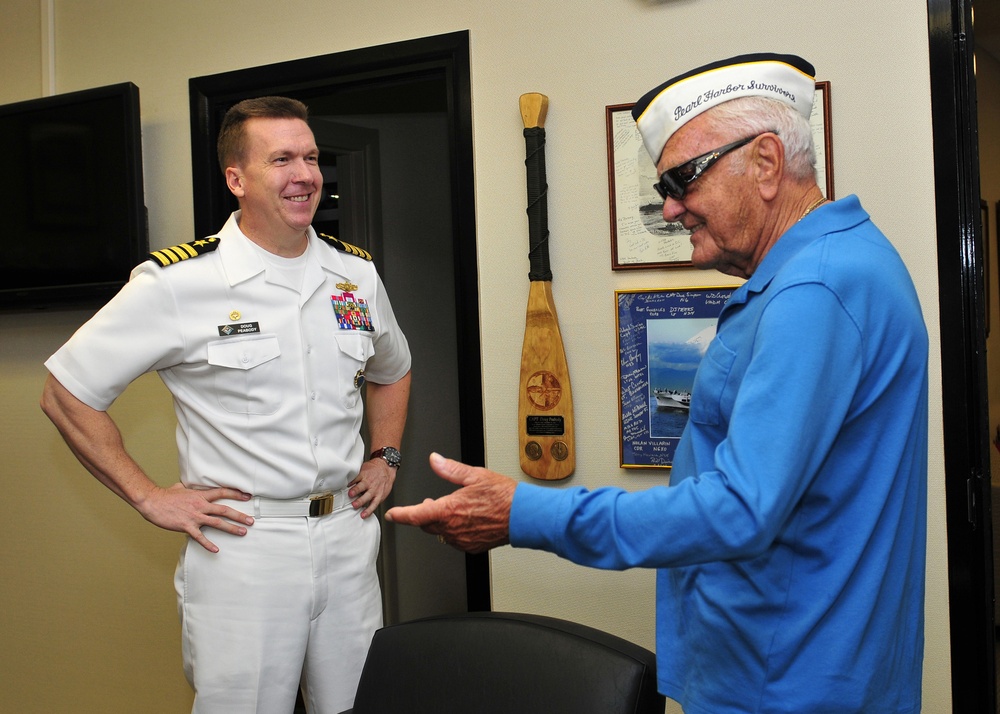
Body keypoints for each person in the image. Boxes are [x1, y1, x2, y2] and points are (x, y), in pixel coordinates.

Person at [386, 53, 928, 713]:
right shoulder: (834, 265)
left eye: (682, 180)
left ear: (765, 163)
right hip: (783, 667)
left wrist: (525, 512)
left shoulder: (816, 287)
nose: (670, 209)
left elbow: (738, 508)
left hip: (787, 684)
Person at [41, 96, 411, 714]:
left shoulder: (354, 276)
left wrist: (387, 454)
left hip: (348, 536)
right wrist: (147, 495)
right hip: (246, 547)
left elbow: (392, 370)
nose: (305, 174)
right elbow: (66, 392)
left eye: (312, 157)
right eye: (282, 159)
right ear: (236, 179)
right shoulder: (181, 284)